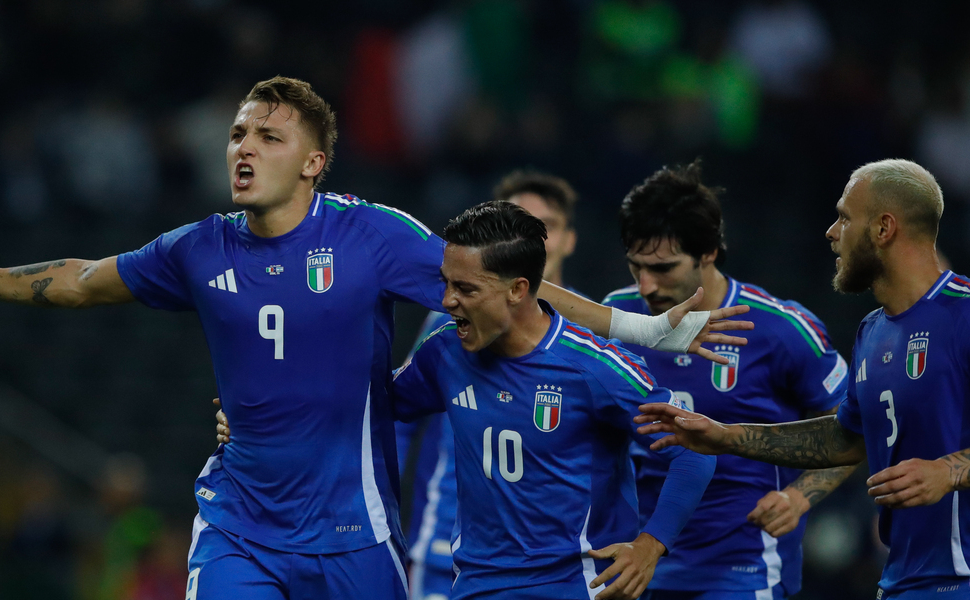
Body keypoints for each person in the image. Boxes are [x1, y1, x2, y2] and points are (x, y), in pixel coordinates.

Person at [0, 76, 749, 600]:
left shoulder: (375, 237)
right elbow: (78, 279)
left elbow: (514, 291)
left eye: (268, 135)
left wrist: (642, 326)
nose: (243, 147)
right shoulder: (196, 248)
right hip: (241, 525)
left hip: (355, 533)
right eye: (236, 134)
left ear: (314, 161)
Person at [226, 200, 718, 599]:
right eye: (444, 283)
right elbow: (369, 406)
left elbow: (694, 450)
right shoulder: (445, 352)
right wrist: (261, 416)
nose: (446, 301)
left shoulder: (593, 367)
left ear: (517, 290)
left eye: (465, 289)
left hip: (576, 585)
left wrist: (651, 546)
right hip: (478, 583)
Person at [636, 159, 970, 599]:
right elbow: (845, 439)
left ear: (884, 228)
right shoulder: (873, 330)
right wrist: (726, 436)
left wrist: (949, 471)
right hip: (902, 581)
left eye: (845, 217)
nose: (832, 232)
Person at [600, 162, 857, 600]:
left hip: (744, 565)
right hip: (639, 561)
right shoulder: (617, 318)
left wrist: (799, 497)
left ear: (709, 253)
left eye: (662, 268)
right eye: (635, 267)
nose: (645, 285)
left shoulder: (780, 328)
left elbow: (855, 425)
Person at [399, 169, 584, 600]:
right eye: (522, 223)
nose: (536, 240)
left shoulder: (588, 344)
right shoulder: (450, 321)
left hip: (549, 561)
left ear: (570, 240)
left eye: (549, 227)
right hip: (447, 542)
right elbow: (399, 414)